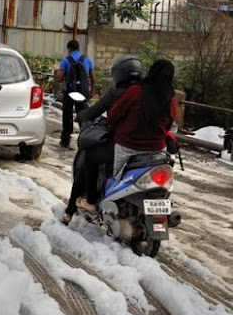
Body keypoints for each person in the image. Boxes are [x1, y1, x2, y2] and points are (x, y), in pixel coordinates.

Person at [74, 59, 177, 215]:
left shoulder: (136, 92)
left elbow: (114, 116)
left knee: (91, 156)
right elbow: (169, 123)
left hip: (128, 148)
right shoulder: (171, 99)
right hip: (157, 151)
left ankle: (91, 202)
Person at [61, 55, 143, 224]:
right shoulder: (147, 93)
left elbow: (98, 110)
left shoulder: (119, 94)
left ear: (119, 74)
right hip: (152, 146)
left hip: (124, 143)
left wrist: (82, 115)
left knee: (90, 156)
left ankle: (86, 203)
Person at [56, 39, 96, 149]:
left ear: (69, 49)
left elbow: (59, 78)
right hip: (83, 93)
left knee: (67, 115)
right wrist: (92, 90)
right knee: (83, 115)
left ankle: (65, 141)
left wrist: (61, 75)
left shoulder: (66, 60)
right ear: (78, 48)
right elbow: (93, 78)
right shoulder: (87, 60)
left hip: (69, 92)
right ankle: (84, 140)